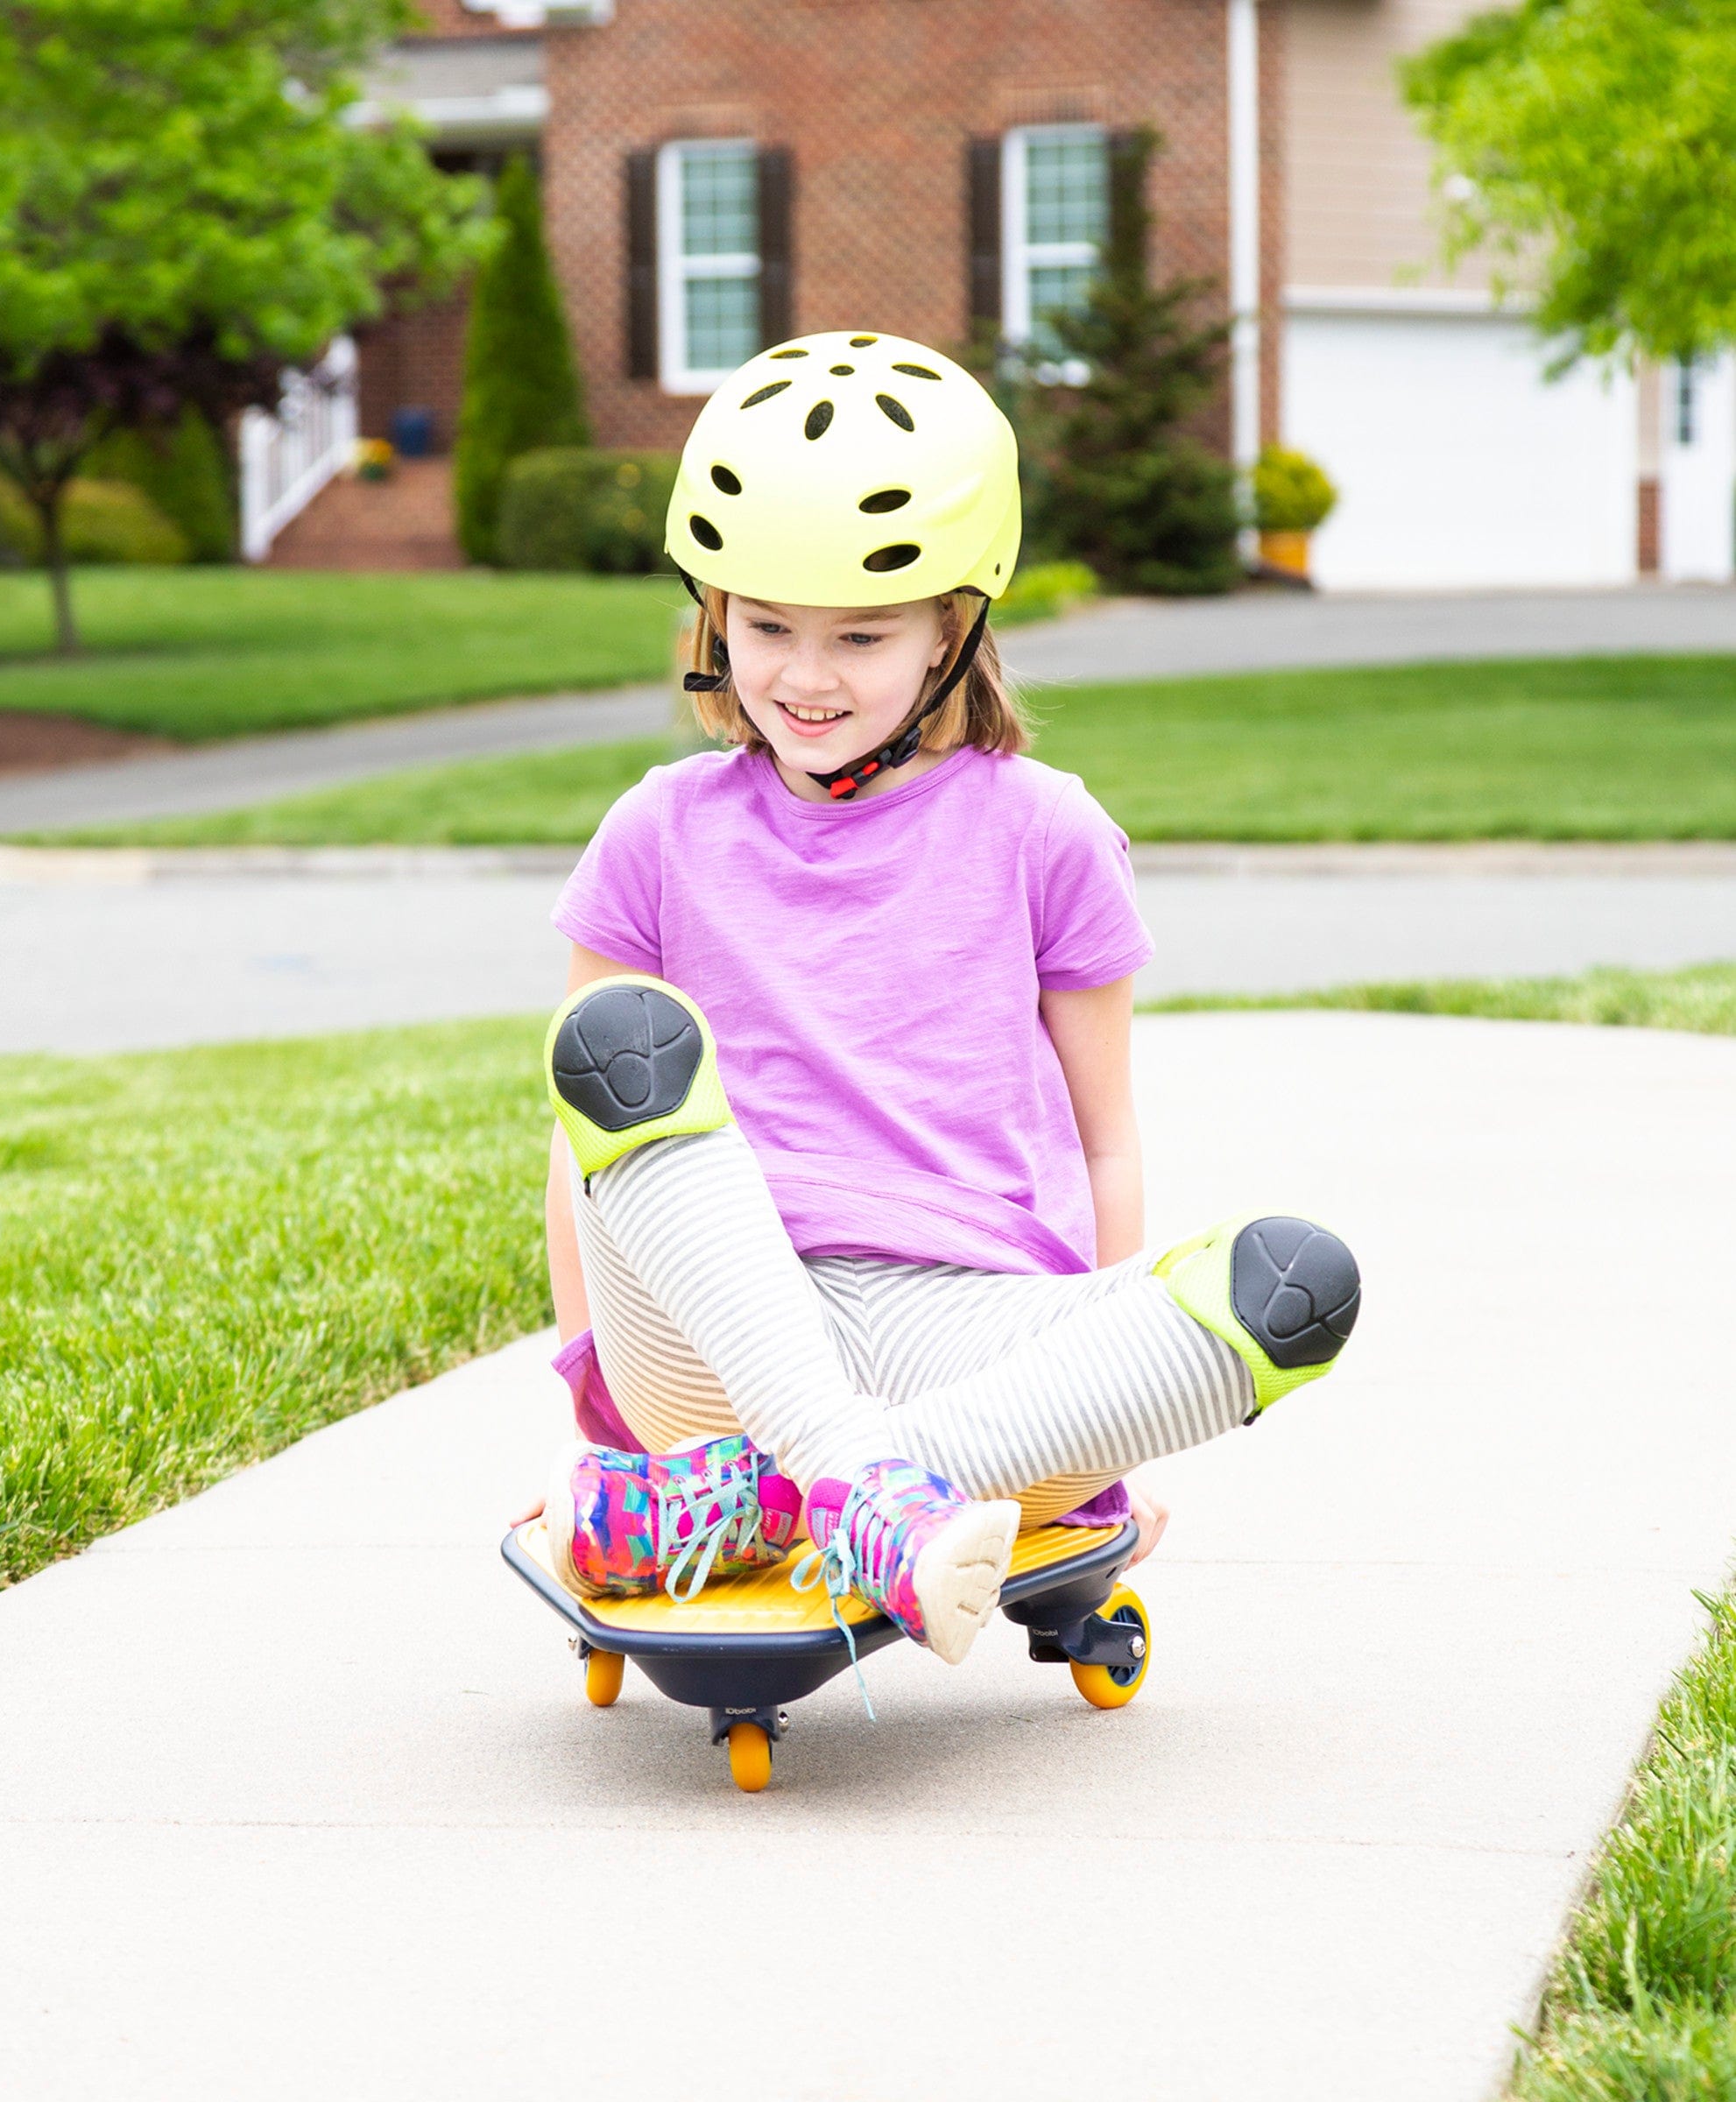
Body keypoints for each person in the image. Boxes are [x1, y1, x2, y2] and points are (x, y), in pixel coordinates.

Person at [529, 330, 1360, 1668]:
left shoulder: (1047, 833)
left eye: (860, 634)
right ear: (713, 616)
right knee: (618, 1049)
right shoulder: (656, 832)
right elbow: (589, 1149)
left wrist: (1087, 1431)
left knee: (1289, 1288)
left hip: (961, 1342)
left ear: (948, 633)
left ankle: (764, 1505)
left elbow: (1103, 1141)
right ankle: (850, 1488)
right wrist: (594, 1391)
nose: (804, 676)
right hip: (711, 1336)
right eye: (765, 627)